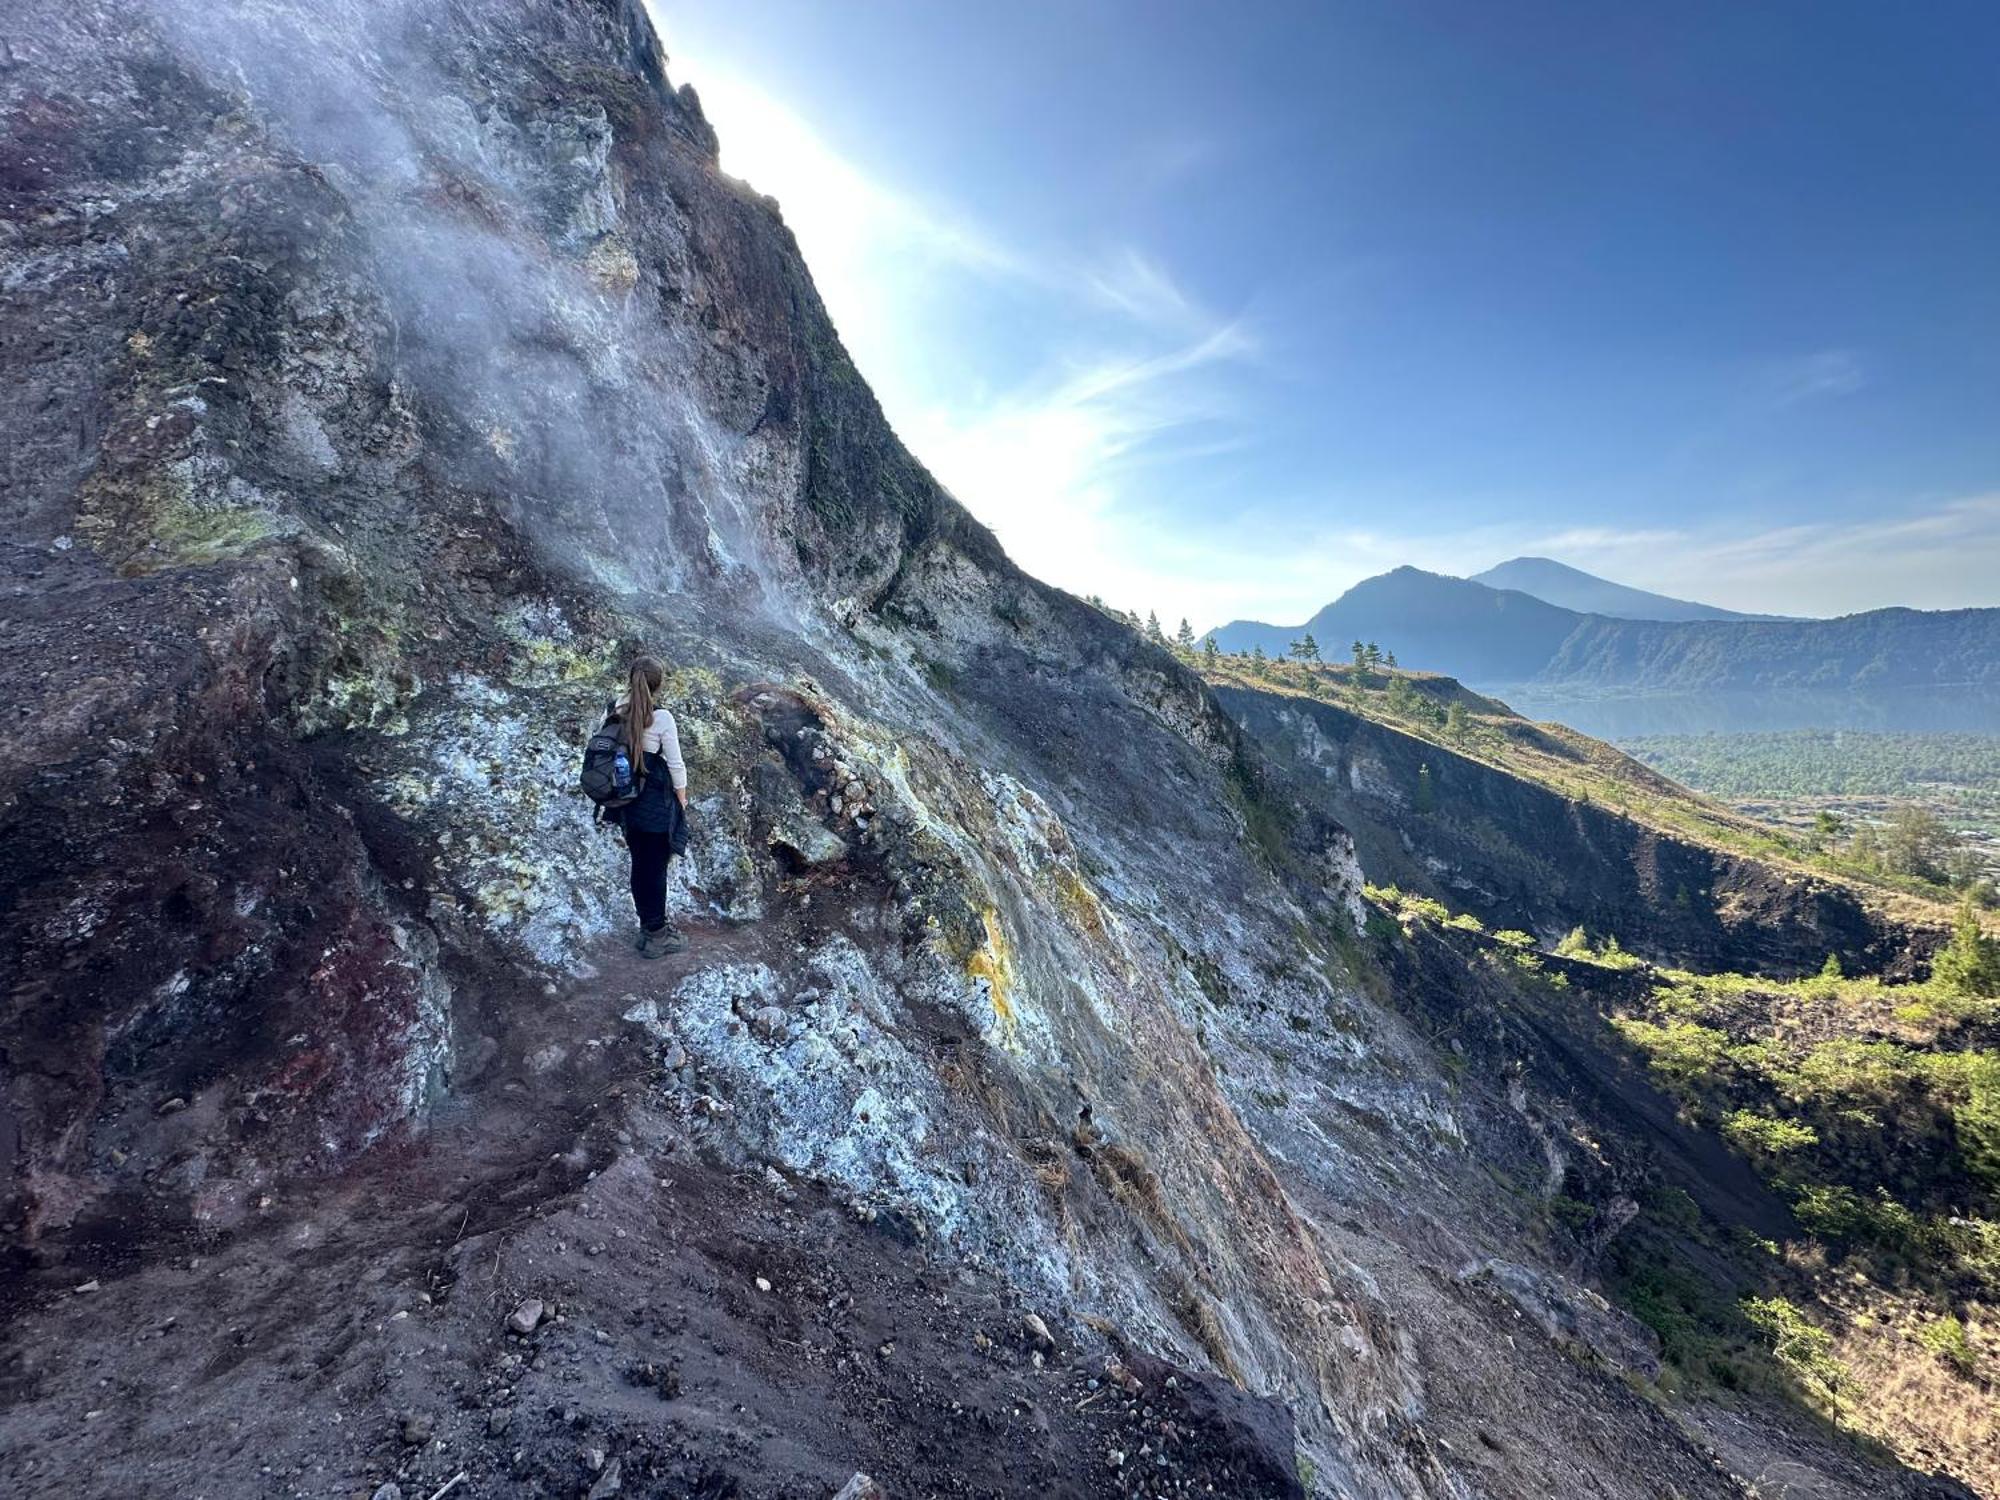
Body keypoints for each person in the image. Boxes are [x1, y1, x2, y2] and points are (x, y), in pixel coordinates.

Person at [611, 656, 689, 958]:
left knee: (640, 865)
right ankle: (657, 935)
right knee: (654, 869)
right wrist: (681, 801)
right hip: (655, 805)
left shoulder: (615, 708)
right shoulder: (662, 718)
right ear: (658, 685)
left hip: (626, 803)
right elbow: (676, 765)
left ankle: (648, 930)